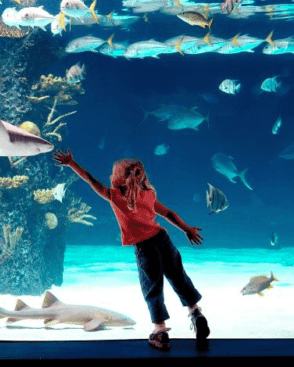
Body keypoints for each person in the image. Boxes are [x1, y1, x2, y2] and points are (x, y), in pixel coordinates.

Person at [53, 149, 210, 350]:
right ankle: (196, 313)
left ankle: (160, 332)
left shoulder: (115, 196)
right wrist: (187, 229)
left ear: (117, 177)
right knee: (179, 277)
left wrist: (72, 164)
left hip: (145, 247)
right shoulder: (149, 194)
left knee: (152, 288)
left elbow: (91, 181)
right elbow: (168, 214)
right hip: (163, 239)